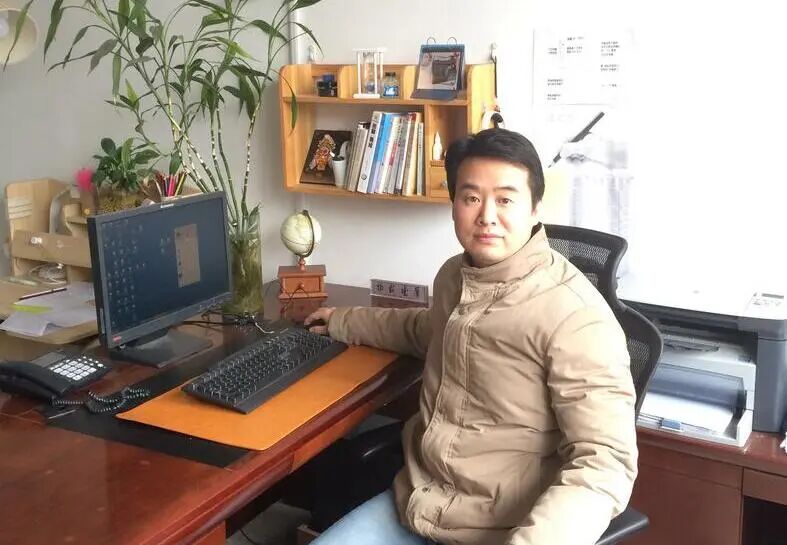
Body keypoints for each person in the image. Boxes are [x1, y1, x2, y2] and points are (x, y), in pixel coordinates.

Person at [304, 128, 637, 545]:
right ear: (454, 206)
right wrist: (343, 320)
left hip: (503, 528)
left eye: (506, 199)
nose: (487, 216)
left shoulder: (575, 316)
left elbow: (605, 463)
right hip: (418, 503)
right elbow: (425, 329)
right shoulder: (454, 277)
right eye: (472, 198)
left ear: (535, 208)